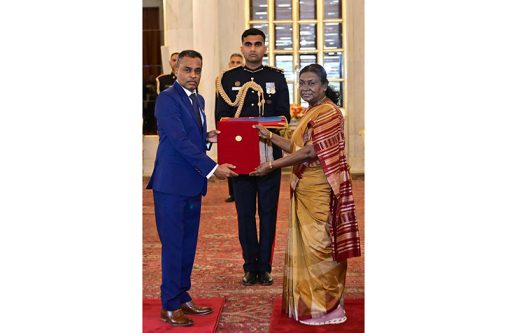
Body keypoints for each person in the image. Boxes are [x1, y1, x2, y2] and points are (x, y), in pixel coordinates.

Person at [250, 64, 361, 325]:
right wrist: (269, 137)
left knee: (320, 246)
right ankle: (311, 303)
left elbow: (311, 153)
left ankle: (327, 307)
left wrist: (271, 165)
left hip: (321, 188)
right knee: (308, 248)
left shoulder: (329, 113)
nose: (306, 88)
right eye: (302, 83)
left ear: (324, 85)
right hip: (304, 187)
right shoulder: (311, 112)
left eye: (312, 83)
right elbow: (296, 147)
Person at [147, 50, 238, 327]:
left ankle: (182, 294)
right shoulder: (167, 99)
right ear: (176, 69)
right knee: (173, 246)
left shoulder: (197, 99)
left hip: (191, 185)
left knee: (188, 246)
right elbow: (177, 141)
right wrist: (212, 167)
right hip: (171, 185)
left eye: (198, 70)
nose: (193, 76)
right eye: (187, 70)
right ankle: (169, 305)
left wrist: (206, 138)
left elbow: (191, 138)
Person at [215, 28, 291, 286]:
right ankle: (250, 267)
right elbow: (222, 118)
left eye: (258, 44)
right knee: (244, 214)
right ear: (242, 47)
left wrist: (259, 128)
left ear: (265, 48)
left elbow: (284, 117)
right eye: (248, 44)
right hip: (240, 157)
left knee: (268, 213)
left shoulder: (276, 77)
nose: (253, 49)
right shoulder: (228, 79)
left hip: (269, 155)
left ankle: (266, 267)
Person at [218, 53, 245, 203]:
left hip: (244, 129)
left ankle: (240, 192)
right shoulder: (224, 82)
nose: (235, 64)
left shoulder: (246, 81)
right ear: (229, 64)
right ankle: (232, 193)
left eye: (238, 62)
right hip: (230, 128)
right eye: (233, 62)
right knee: (230, 159)